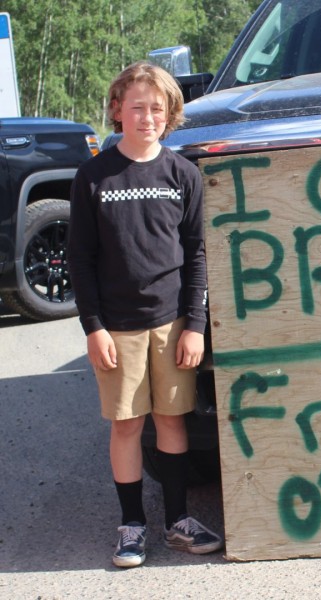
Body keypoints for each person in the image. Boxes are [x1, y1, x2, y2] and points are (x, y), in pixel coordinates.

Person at [68, 61, 222, 568]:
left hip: (172, 323)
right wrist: (94, 328)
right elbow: (80, 260)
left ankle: (178, 521)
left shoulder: (182, 174)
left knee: (171, 421)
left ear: (170, 113)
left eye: (158, 108)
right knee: (127, 425)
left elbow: (196, 253)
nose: (148, 117)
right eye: (137, 107)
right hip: (117, 328)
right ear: (117, 110)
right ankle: (131, 525)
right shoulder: (93, 177)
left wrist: (195, 325)